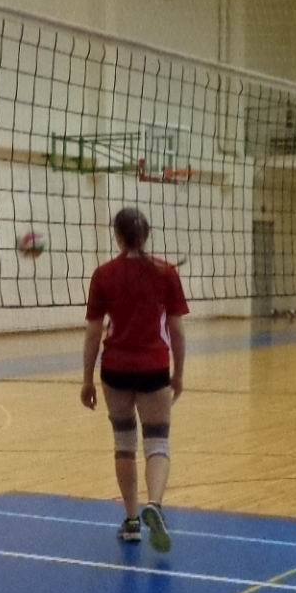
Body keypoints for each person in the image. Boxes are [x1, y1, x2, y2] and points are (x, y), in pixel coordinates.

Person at [82, 207, 188, 550]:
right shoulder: (166, 273)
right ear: (147, 235)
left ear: (117, 236)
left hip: (115, 370)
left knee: (124, 445)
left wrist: (86, 379)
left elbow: (93, 333)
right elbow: (177, 330)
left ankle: (131, 521)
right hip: (153, 368)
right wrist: (179, 373)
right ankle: (154, 504)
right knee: (157, 442)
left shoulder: (103, 275)